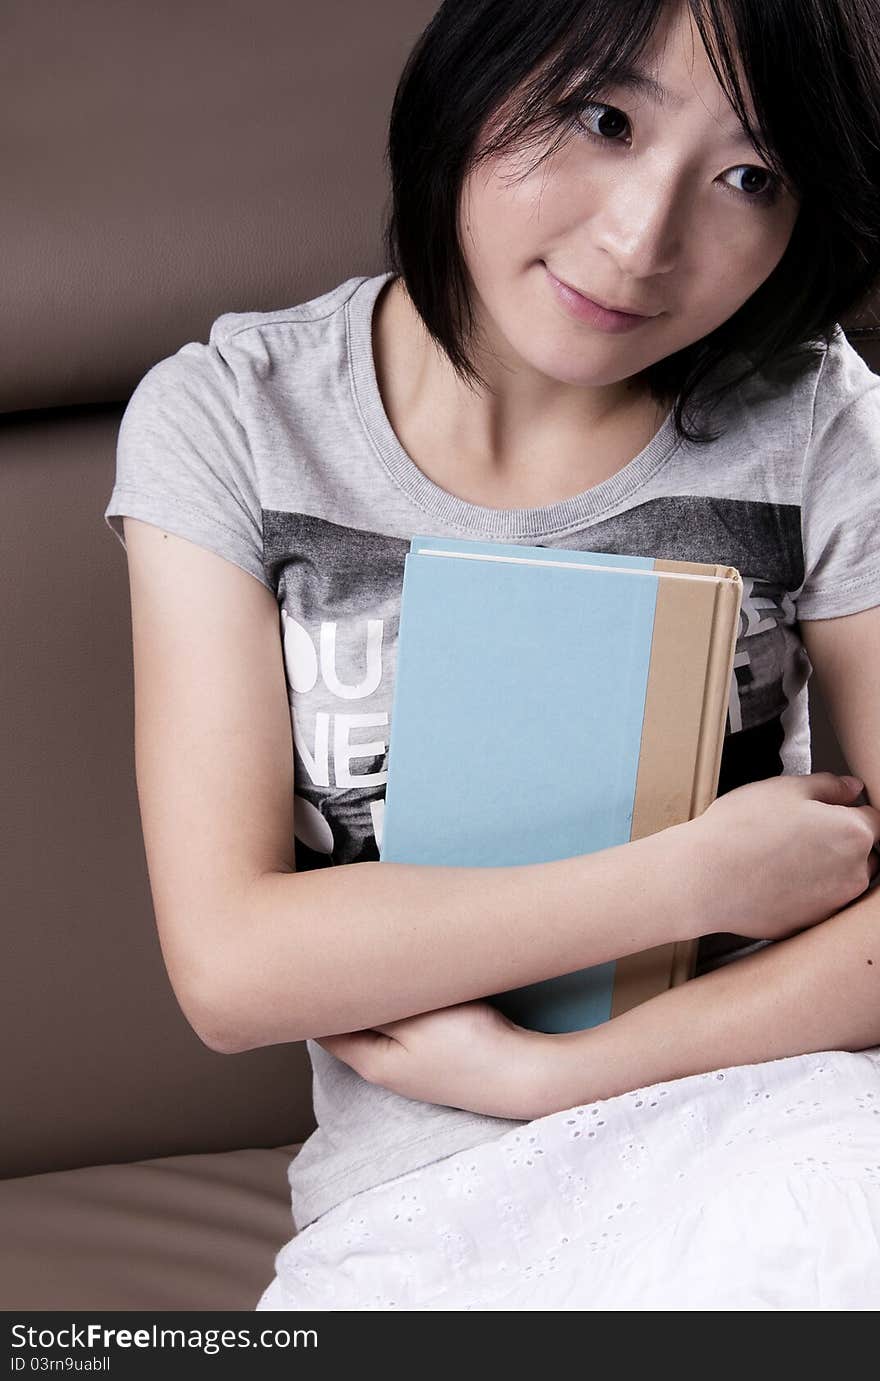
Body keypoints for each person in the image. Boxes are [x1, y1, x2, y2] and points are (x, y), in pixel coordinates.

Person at [104, 0, 880, 1309]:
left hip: (771, 1125)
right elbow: (232, 968)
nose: (642, 238)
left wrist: (550, 1073)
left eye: (750, 175)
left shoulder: (818, 421)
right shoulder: (231, 420)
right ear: (477, 74)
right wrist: (691, 878)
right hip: (415, 1205)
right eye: (603, 116)